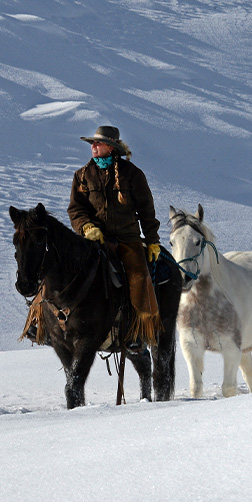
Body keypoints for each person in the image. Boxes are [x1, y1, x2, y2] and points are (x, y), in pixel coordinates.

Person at [67, 124, 162, 346]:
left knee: (139, 277)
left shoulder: (133, 174)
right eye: (92, 143)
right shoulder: (82, 176)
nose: (93, 146)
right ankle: (52, 323)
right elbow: (76, 210)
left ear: (110, 147)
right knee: (66, 270)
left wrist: (152, 242)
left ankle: (140, 331)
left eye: (98, 143)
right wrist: (87, 228)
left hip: (127, 240)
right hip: (94, 241)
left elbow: (146, 211)